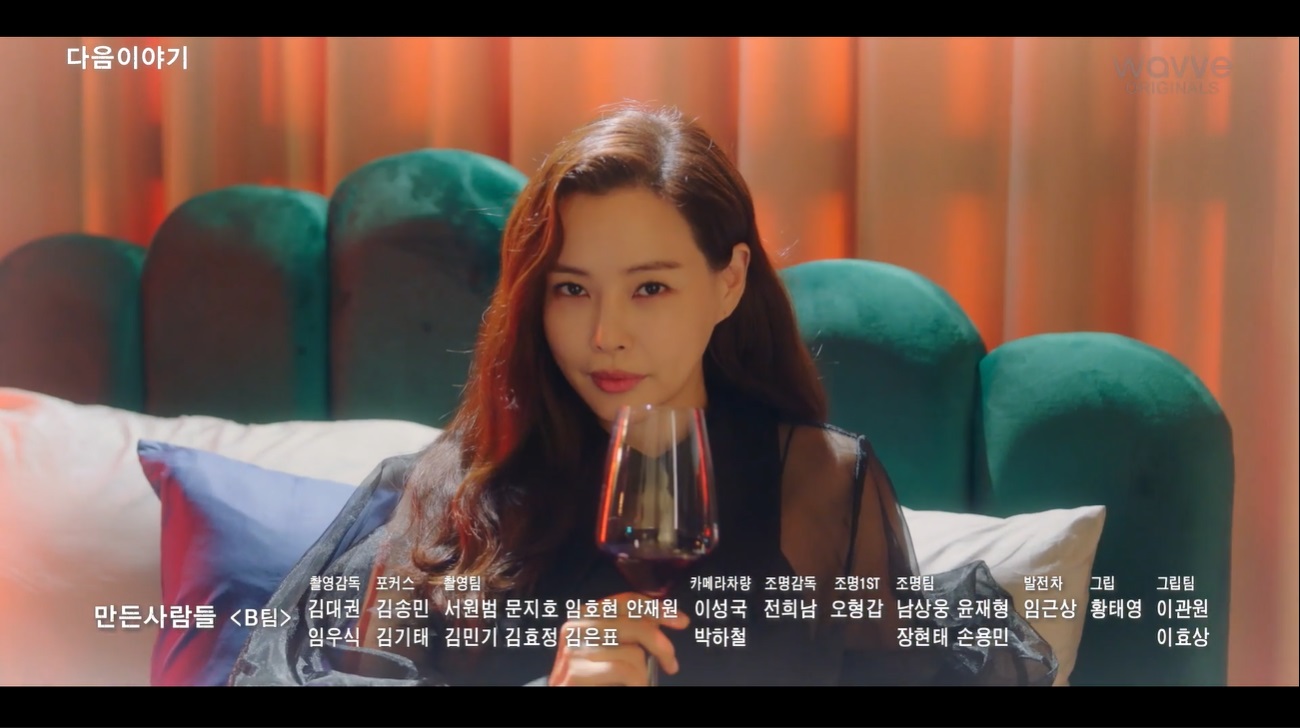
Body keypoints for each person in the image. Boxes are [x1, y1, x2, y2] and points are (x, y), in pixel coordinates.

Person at [230, 103, 1057, 687]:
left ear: (728, 281)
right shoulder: (453, 493)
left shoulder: (819, 486)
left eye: (650, 288)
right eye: (571, 289)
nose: (606, 334)